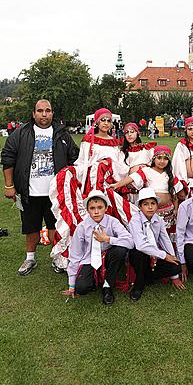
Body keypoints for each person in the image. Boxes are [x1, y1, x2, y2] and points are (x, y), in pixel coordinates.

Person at [49, 108, 138, 271]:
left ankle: (112, 254)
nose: (105, 123)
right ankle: (81, 256)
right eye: (102, 120)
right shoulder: (88, 140)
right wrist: (90, 169)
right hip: (90, 185)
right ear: (96, 122)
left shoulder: (114, 142)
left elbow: (120, 166)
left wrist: (108, 164)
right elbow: (82, 162)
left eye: (108, 120)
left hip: (109, 184)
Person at [1, 99, 79, 275]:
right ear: (33, 113)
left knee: (55, 227)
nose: (44, 114)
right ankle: (30, 259)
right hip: (29, 192)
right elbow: (8, 158)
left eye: (48, 111)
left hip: (55, 193)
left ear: (52, 113)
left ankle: (58, 257)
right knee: (31, 228)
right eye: (40, 111)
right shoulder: (21, 133)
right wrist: (9, 185)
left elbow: (74, 157)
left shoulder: (61, 134)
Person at [63, 189, 134, 305]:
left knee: (120, 250)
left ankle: (107, 285)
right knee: (81, 288)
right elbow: (75, 254)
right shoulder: (82, 227)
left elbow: (130, 242)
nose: (96, 212)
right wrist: (71, 284)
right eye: (92, 208)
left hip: (109, 255)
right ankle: (96, 278)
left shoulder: (113, 222)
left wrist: (108, 239)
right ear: (87, 210)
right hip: (90, 258)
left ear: (106, 208)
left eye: (100, 207)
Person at [109, 146, 185, 241]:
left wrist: (176, 209)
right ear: (154, 159)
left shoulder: (170, 175)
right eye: (159, 158)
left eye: (165, 159)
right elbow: (132, 178)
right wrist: (117, 185)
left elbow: (174, 195)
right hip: (152, 212)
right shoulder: (147, 171)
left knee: (166, 237)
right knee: (152, 236)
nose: (162, 161)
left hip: (168, 212)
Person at [128, 187, 185, 302]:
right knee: (139, 253)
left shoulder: (158, 220)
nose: (150, 207)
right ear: (140, 207)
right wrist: (164, 256)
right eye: (145, 204)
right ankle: (138, 286)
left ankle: (148, 277)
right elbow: (140, 245)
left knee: (176, 266)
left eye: (153, 203)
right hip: (138, 254)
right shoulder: (135, 220)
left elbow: (166, 241)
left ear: (157, 206)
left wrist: (172, 259)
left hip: (154, 254)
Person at [118, 122, 156, 202]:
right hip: (130, 187)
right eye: (127, 132)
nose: (129, 135)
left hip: (147, 186)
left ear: (137, 133)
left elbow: (155, 165)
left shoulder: (146, 149)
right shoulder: (122, 152)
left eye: (132, 132)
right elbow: (121, 170)